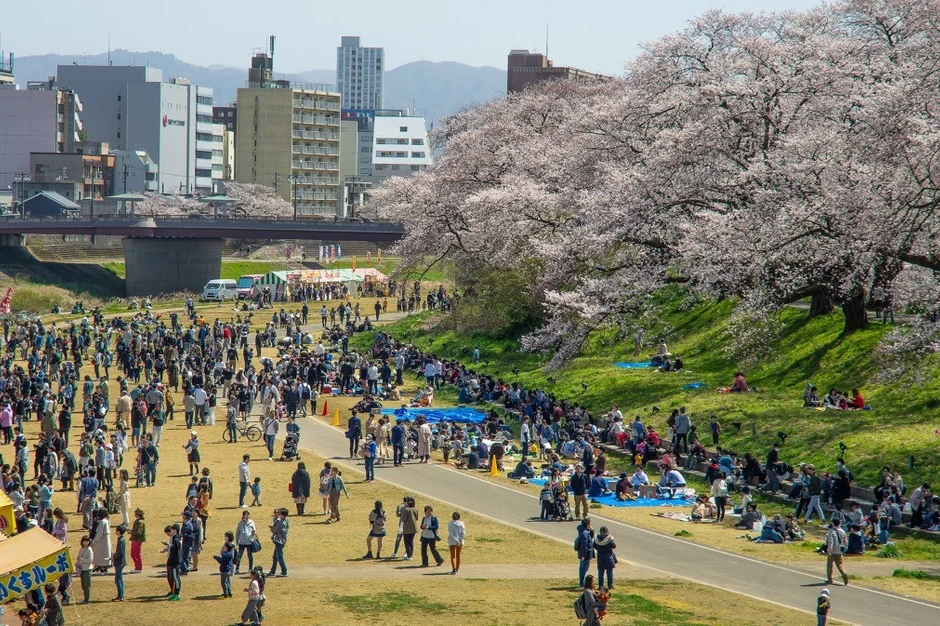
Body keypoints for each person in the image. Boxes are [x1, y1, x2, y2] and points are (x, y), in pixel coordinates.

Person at [825, 518, 849, 586]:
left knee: (830, 565)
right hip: (840, 551)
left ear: (833, 523)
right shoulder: (843, 531)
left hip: (833, 551)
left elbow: (830, 542)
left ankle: (830, 579)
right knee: (840, 565)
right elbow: (846, 542)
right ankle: (844, 573)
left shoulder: (831, 531)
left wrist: (829, 550)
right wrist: (844, 549)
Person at [268, 508, 290, 577]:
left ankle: (284, 572)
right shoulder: (285, 521)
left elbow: (274, 529)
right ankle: (273, 571)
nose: (278, 514)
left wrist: (271, 528)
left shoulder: (281, 522)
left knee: (280, 557)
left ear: (283, 515)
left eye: (280, 513)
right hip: (281, 540)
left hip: (279, 541)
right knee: (275, 557)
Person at [163, 524, 182, 601]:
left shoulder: (177, 540)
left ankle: (177, 594)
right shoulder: (175, 538)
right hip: (172, 561)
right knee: (173, 577)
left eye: (172, 529)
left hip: (175, 562)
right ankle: (174, 592)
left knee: (175, 578)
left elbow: (176, 551)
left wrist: (169, 546)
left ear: (175, 530)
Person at [215, 533, 236, 598]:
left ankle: (225, 593)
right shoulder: (229, 552)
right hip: (228, 568)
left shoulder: (226, 554)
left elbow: (221, 560)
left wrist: (216, 557)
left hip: (225, 569)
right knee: (228, 581)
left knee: (224, 582)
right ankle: (229, 592)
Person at [576, 517, 595, 587]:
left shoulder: (585, 531)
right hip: (585, 554)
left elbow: (591, 538)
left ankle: (582, 582)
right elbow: (584, 545)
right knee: (583, 568)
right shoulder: (584, 534)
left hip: (585, 553)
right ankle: (582, 583)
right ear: (587, 524)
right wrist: (583, 555)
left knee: (584, 568)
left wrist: (591, 530)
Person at [75, 535, 94, 605]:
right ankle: (85, 598)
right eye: (84, 541)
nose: (85, 543)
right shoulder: (81, 549)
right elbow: (78, 557)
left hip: (87, 569)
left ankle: (87, 600)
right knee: (83, 585)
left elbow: (90, 560)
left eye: (87, 541)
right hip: (82, 569)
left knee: (86, 585)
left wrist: (81, 559)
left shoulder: (89, 550)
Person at [111, 524, 127, 601]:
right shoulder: (122, 539)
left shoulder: (121, 540)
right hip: (121, 561)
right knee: (119, 578)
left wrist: (114, 557)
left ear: (119, 531)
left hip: (119, 562)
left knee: (118, 579)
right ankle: (120, 595)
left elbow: (120, 553)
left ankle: (120, 596)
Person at [130, 508, 146, 573]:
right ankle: (137, 567)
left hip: (137, 540)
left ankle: (138, 568)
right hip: (135, 539)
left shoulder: (140, 522)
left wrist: (130, 531)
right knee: (133, 554)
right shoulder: (138, 521)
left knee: (136, 554)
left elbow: (138, 532)